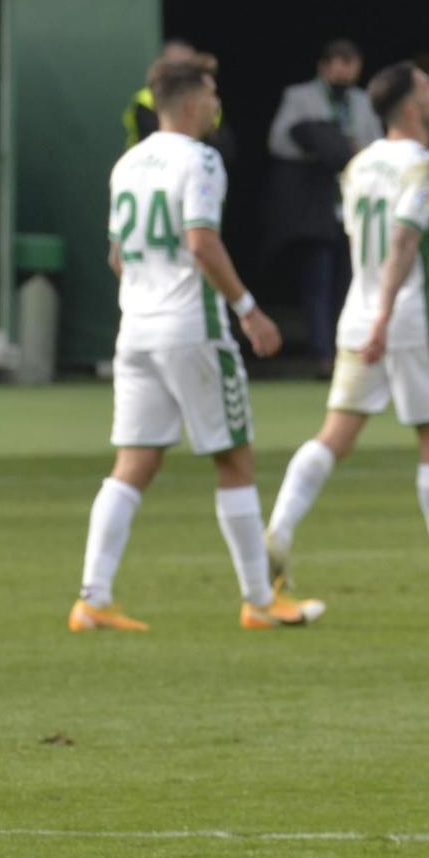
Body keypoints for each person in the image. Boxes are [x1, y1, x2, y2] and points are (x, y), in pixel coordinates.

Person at [72, 55, 322, 633]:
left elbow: (117, 257)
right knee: (234, 458)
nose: (216, 104)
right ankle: (260, 599)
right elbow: (202, 242)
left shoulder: (128, 163)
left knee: (133, 463)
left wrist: (150, 294)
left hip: (135, 326)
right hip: (192, 327)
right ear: (190, 103)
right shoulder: (202, 160)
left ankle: (93, 597)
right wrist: (249, 310)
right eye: (211, 94)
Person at [266, 63, 429, 594]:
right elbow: (403, 240)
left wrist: (392, 303)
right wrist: (393, 310)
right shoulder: (424, 167)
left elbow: (372, 245)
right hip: (401, 318)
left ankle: (279, 529)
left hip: (358, 312)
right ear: (408, 106)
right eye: (426, 87)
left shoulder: (359, 165)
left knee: (336, 433)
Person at [266, 40, 382, 368]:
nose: (343, 69)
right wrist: (321, 146)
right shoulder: (299, 97)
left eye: (350, 62)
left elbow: (376, 144)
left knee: (351, 279)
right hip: (314, 202)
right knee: (318, 279)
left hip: (354, 203)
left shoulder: (363, 102)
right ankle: (321, 353)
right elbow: (278, 142)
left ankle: (349, 347)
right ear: (324, 65)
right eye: (337, 62)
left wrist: (355, 151)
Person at [123, 39, 236, 170]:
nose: (186, 74)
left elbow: (227, 151)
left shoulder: (210, 103)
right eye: (180, 68)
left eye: (192, 68)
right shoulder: (145, 100)